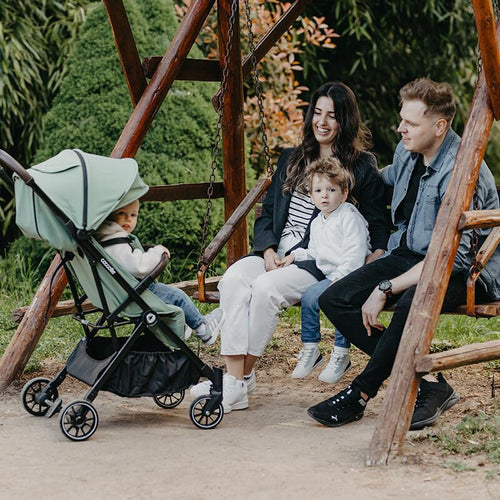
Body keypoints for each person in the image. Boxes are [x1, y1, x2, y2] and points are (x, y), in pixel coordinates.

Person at [308, 78, 500, 429]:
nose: (400, 129)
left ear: (439, 126)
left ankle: (361, 392)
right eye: (402, 120)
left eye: (410, 123)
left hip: (468, 271)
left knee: (413, 300)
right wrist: (341, 182)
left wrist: (385, 288)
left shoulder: (462, 173)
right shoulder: (407, 151)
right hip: (407, 254)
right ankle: (432, 383)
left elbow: (450, 261)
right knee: (336, 298)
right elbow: (385, 179)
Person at [190, 82, 390, 412]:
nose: (322, 122)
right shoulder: (291, 158)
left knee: (266, 290)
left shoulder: (359, 165)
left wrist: (375, 258)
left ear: (345, 121)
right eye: (317, 113)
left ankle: (236, 381)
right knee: (234, 280)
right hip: (276, 254)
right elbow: (268, 215)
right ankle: (236, 380)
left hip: (316, 262)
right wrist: (268, 251)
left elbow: (376, 223)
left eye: (332, 115)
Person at [284, 157, 371, 379]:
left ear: (343, 193)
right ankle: (311, 348)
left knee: (334, 301)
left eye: (331, 190)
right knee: (310, 298)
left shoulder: (349, 216)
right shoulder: (317, 222)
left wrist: (340, 278)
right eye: (318, 190)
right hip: (332, 275)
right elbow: (314, 251)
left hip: (353, 276)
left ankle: (341, 353)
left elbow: (356, 253)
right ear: (311, 196)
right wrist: (294, 255)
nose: (324, 195)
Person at [95, 199, 225, 345]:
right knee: (177, 296)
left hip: (116, 295)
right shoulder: (115, 241)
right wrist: (157, 252)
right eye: (121, 213)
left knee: (171, 299)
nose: (128, 219)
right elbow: (137, 267)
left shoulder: (100, 239)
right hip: (135, 294)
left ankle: (182, 326)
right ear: (108, 213)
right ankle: (203, 328)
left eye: (133, 215)